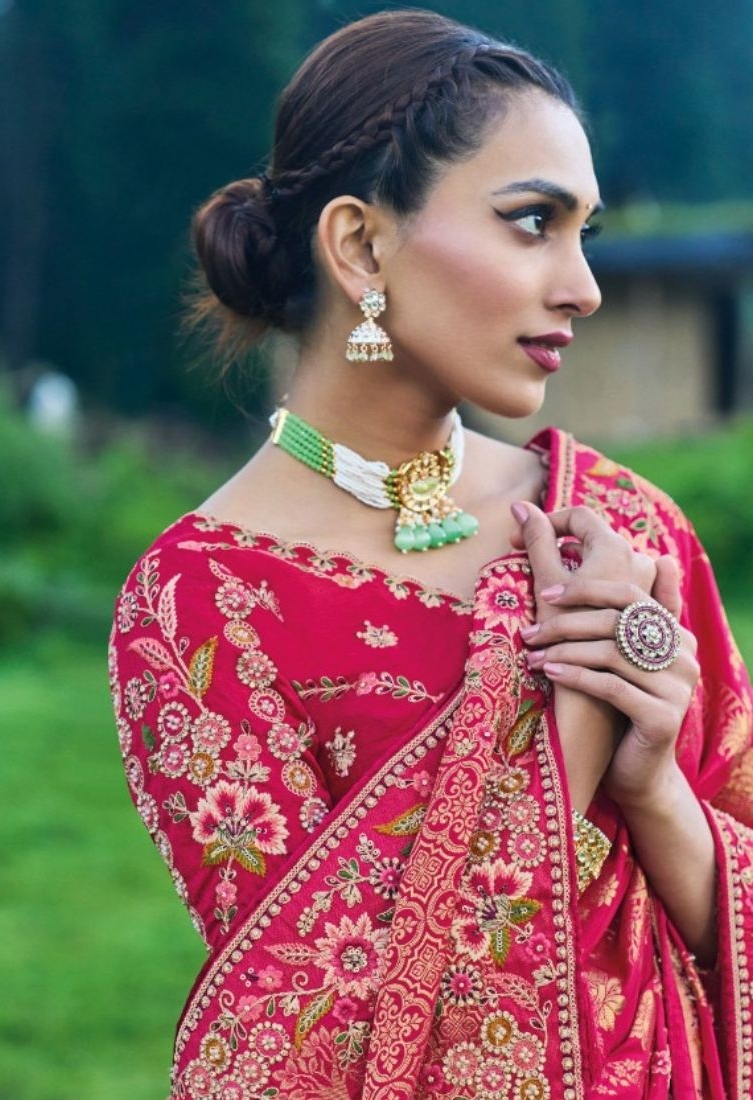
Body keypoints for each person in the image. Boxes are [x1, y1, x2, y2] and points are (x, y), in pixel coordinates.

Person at [108, 10, 753, 1098]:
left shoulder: (616, 530)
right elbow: (294, 1046)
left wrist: (655, 792)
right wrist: (558, 749)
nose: (580, 285)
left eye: (583, 232)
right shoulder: (200, 606)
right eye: (531, 222)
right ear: (361, 244)